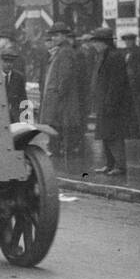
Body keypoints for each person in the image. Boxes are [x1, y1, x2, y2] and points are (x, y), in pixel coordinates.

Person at [88, 26, 133, 176]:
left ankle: (120, 166)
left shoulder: (114, 57)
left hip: (112, 104)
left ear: (104, 43)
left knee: (114, 136)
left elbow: (116, 83)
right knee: (105, 135)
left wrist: (110, 103)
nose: (94, 45)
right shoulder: (103, 56)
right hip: (104, 103)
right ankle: (109, 164)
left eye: (96, 41)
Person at [39, 23, 82, 156]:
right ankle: (58, 149)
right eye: (53, 35)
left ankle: (59, 150)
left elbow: (65, 76)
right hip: (57, 96)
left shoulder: (65, 52)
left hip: (60, 98)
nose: (54, 38)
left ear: (64, 36)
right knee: (58, 124)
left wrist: (59, 93)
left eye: (57, 35)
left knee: (60, 123)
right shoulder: (61, 51)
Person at [2, 49, 27, 124]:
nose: (8, 64)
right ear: (0, 61)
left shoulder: (19, 77)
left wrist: (24, 119)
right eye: (6, 61)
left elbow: (23, 99)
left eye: (11, 62)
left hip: (14, 118)